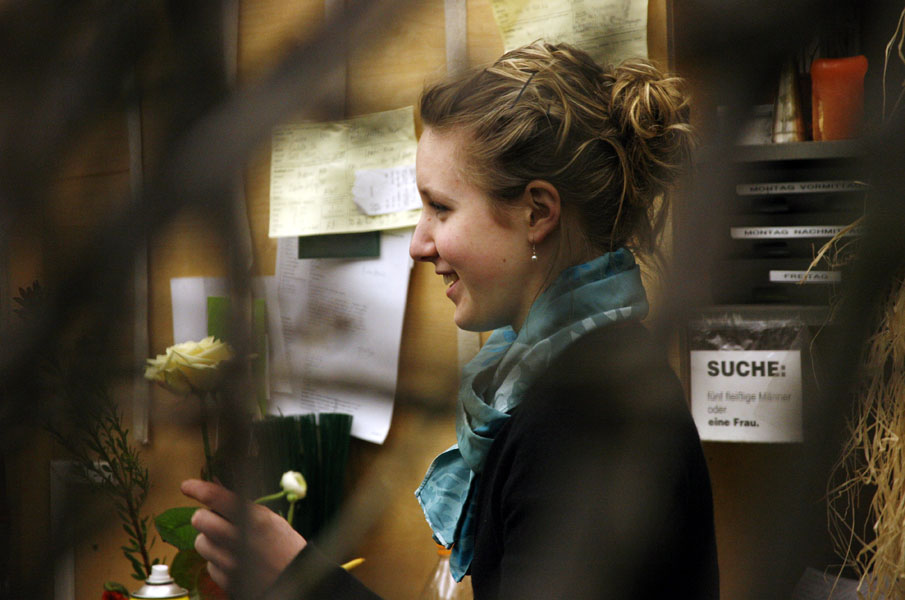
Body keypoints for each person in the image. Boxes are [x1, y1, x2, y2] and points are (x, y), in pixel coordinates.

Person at [182, 40, 718, 599]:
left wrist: (299, 580)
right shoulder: (578, 374)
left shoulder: (582, 416)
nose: (419, 244)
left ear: (537, 212)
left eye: (440, 207)